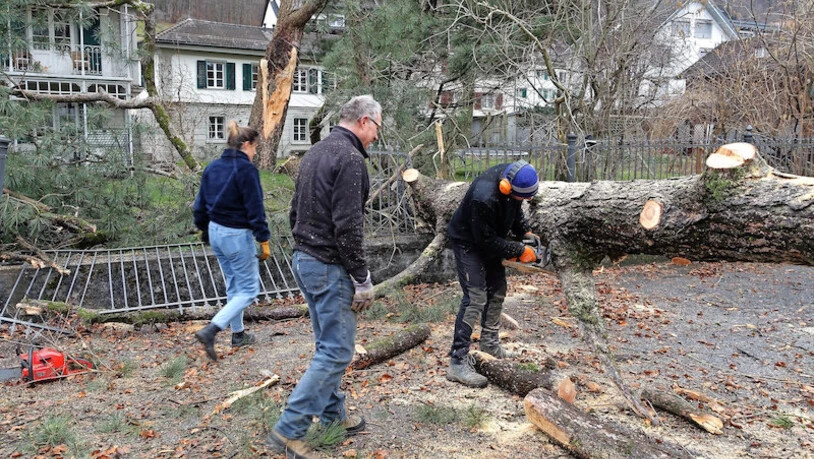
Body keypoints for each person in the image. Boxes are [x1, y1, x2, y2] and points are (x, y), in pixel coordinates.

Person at [266, 95, 380, 459]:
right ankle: (289, 429)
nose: (376, 136)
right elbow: (349, 227)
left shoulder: (315, 151)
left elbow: (294, 210)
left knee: (326, 345)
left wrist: (305, 250)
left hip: (305, 260)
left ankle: (333, 416)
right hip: (328, 265)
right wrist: (361, 277)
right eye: (377, 127)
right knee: (336, 350)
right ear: (364, 121)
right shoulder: (350, 159)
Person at [445, 159, 541, 388]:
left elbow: (515, 208)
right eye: (522, 196)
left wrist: (524, 232)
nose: (525, 200)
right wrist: (519, 250)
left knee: (498, 290)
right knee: (475, 297)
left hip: (488, 238)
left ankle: (489, 343)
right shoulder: (483, 197)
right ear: (507, 187)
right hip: (468, 242)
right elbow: (484, 240)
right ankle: (457, 362)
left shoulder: (513, 179)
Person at [193, 121, 271, 362]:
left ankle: (238, 334)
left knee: (234, 284)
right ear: (245, 145)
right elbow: (255, 208)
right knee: (248, 291)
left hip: (216, 232)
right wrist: (263, 238)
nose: (255, 152)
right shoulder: (246, 170)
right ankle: (212, 329)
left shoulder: (212, 167)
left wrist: (205, 230)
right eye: (255, 147)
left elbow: (199, 207)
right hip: (237, 235)